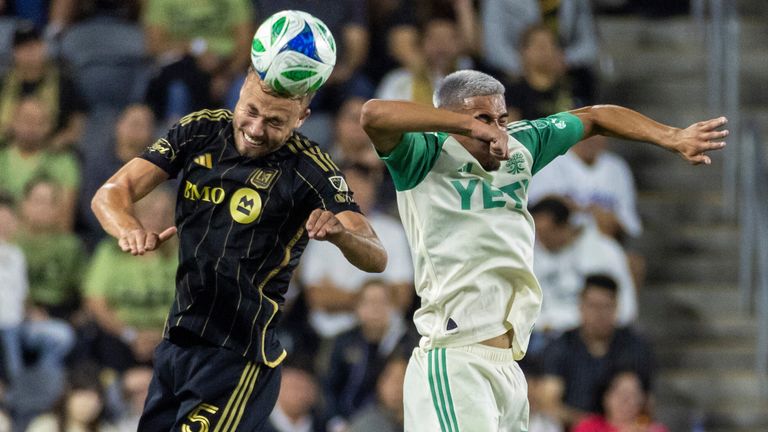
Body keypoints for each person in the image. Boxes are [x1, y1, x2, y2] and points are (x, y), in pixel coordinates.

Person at [360, 69, 726, 431]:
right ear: (448, 121)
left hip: (508, 365)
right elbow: (373, 114)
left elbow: (596, 117)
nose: (496, 131)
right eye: (483, 119)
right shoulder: (420, 156)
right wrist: (471, 127)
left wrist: (672, 136)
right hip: (455, 360)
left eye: (501, 119)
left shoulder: (522, 145)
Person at [91, 34, 387, 431]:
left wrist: (341, 233)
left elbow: (376, 254)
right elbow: (111, 194)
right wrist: (129, 228)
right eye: (250, 111)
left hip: (239, 358)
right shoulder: (198, 132)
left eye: (275, 121)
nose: (255, 128)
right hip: (177, 345)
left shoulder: (310, 167)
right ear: (241, 90)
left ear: (302, 117)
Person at [539, 275, 655, 428]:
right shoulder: (562, 345)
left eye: (606, 306)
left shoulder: (635, 346)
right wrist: (591, 425)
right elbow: (549, 402)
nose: (599, 314)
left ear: (617, 307)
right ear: (581, 306)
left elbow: (646, 401)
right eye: (593, 306)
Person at [530, 197, 636, 339]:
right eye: (537, 234)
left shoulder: (606, 250)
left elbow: (626, 308)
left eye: (545, 233)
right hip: (545, 335)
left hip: (593, 335)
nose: (540, 240)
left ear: (564, 227)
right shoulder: (533, 254)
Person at [323, 280, 413, 431]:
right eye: (369, 302)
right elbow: (327, 386)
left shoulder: (407, 343)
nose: (375, 308)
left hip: (394, 419)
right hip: (345, 420)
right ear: (357, 307)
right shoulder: (342, 342)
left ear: (394, 306)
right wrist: (336, 422)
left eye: (382, 301)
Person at [572, 370, 669, 432]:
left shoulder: (654, 429)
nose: (625, 400)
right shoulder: (588, 427)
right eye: (620, 393)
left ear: (643, 399)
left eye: (632, 394)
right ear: (605, 397)